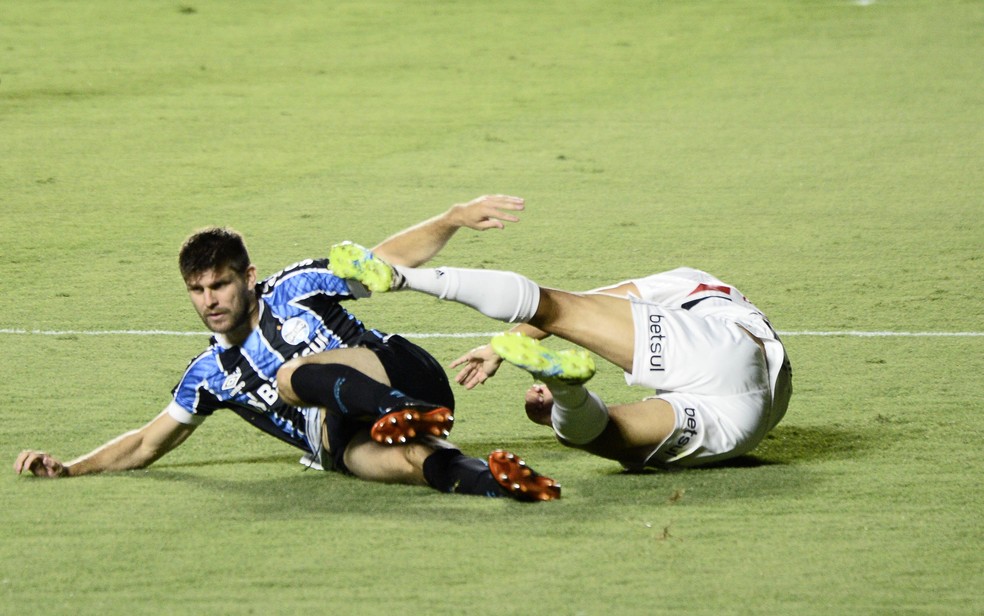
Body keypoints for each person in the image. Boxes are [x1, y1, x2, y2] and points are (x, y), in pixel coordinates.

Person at [13, 195, 561, 502]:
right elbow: (144, 444)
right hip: (347, 436)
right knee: (401, 462)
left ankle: (398, 407)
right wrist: (71, 469)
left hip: (405, 374)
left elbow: (380, 263)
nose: (210, 300)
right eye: (197, 290)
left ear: (248, 276)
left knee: (289, 378)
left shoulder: (295, 287)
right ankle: (497, 482)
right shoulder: (210, 374)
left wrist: (449, 219)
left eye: (220, 285)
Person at [327, 236, 793, 471]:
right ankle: (565, 393)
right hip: (743, 424)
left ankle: (402, 276)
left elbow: (567, 305)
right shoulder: (725, 307)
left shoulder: (690, 283)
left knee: (557, 306)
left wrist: (500, 345)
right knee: (602, 435)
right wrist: (503, 347)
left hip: (728, 360)